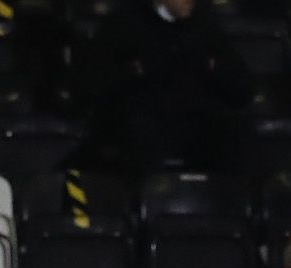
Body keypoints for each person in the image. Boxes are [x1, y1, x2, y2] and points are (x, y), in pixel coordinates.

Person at [84, 0, 248, 173]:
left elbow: (243, 89)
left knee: (236, 132)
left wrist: (213, 67)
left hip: (197, 121)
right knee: (136, 134)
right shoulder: (123, 24)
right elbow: (95, 84)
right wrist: (135, 71)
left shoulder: (205, 24)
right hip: (143, 121)